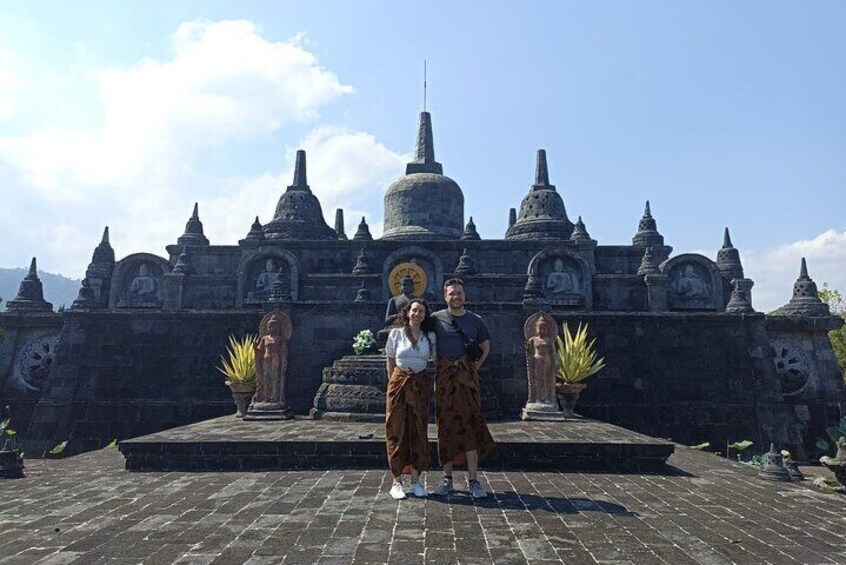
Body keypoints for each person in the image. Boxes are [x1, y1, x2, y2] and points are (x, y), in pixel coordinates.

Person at [431, 278, 495, 499]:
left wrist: (472, 367)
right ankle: (447, 479)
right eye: (451, 294)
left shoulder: (475, 321)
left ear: (464, 295)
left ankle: (474, 480)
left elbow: (485, 347)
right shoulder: (435, 319)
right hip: (445, 381)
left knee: (471, 425)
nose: (455, 297)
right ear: (445, 296)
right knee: (445, 425)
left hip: (467, 380)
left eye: (459, 293)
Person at [385, 299, 437, 500]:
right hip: (399, 382)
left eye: (422, 311)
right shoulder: (396, 334)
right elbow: (390, 359)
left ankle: (416, 480)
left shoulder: (430, 336)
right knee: (396, 428)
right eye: (414, 310)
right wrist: (393, 382)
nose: (417, 314)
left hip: (420, 384)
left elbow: (435, 358)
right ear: (407, 313)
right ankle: (396, 482)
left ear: (425, 315)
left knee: (418, 429)